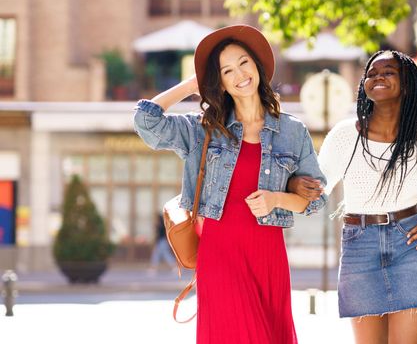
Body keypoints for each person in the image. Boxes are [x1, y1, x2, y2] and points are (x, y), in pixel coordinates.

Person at [134, 24, 327, 344]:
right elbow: (146, 121)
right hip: (220, 253)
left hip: (268, 256)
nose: (239, 74)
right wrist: (190, 85)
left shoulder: (292, 131)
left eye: (244, 63)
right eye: (227, 70)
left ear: (257, 66)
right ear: (219, 82)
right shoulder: (203, 130)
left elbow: (316, 197)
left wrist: (277, 199)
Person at [288, 50, 417, 344]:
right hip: (360, 246)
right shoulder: (344, 135)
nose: (378, 76)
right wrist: (294, 184)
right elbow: (318, 187)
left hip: (412, 243)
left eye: (389, 71)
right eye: (371, 73)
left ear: (407, 84)